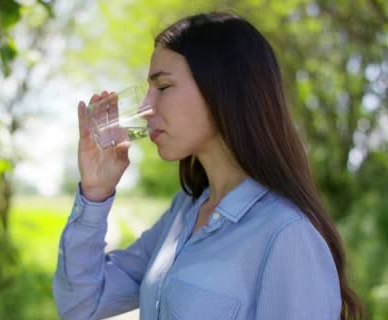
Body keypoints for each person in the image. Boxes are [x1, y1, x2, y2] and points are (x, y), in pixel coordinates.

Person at [52, 12, 363, 320]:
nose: (145, 108)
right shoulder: (184, 212)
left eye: (162, 87)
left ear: (222, 89)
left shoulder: (287, 235)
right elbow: (82, 304)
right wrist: (95, 193)